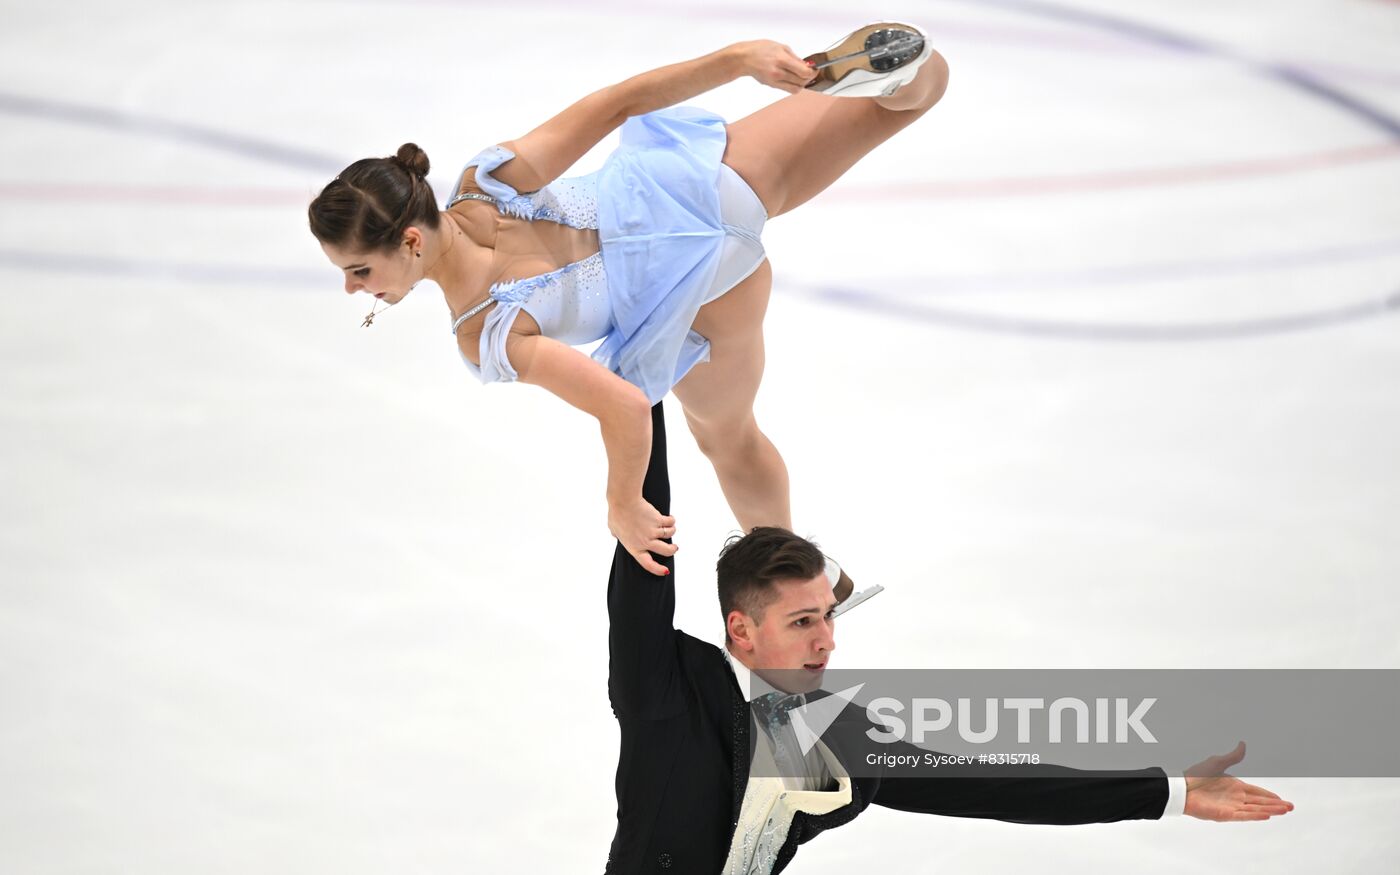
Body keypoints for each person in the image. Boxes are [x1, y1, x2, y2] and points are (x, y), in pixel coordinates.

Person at [307, 24, 947, 574]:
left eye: (359, 268)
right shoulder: (488, 181)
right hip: (703, 182)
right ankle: (898, 79)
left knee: (729, 439)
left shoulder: (486, 331)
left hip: (704, 286)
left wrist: (622, 502)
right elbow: (618, 104)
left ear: (411, 242)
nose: (353, 287)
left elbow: (625, 404)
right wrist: (738, 60)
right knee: (927, 85)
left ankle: (800, 578)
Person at [604, 401, 1294, 874]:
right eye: (803, 621)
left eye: (828, 617)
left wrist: (1166, 791)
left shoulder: (838, 740)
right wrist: (646, 382)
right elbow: (649, 533)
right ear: (741, 630)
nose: (827, 643)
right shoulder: (668, 685)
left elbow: (992, 782)